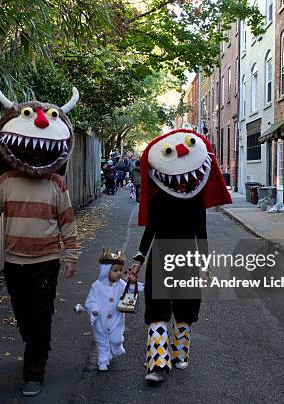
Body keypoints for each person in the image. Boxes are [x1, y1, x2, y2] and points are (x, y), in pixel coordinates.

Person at [0, 81, 80, 397]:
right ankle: (33, 342)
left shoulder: (56, 184)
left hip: (46, 262)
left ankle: (35, 370)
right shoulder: (6, 181)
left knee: (40, 316)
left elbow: (67, 221)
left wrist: (71, 254)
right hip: (14, 261)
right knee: (23, 313)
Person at [127, 128, 231, 384]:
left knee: (181, 310)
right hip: (165, 259)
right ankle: (158, 363)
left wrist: (205, 267)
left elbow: (201, 235)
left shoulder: (190, 201)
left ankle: (176, 353)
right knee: (160, 310)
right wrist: (138, 260)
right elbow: (151, 230)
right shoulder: (163, 200)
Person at [83, 249, 127, 371]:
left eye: (120, 270)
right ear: (106, 271)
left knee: (116, 338)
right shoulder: (96, 286)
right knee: (101, 341)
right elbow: (90, 301)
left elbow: (129, 291)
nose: (119, 273)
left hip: (116, 319)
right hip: (100, 320)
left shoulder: (122, 285)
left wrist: (134, 285)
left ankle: (116, 347)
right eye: (115, 270)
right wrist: (94, 309)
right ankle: (102, 360)